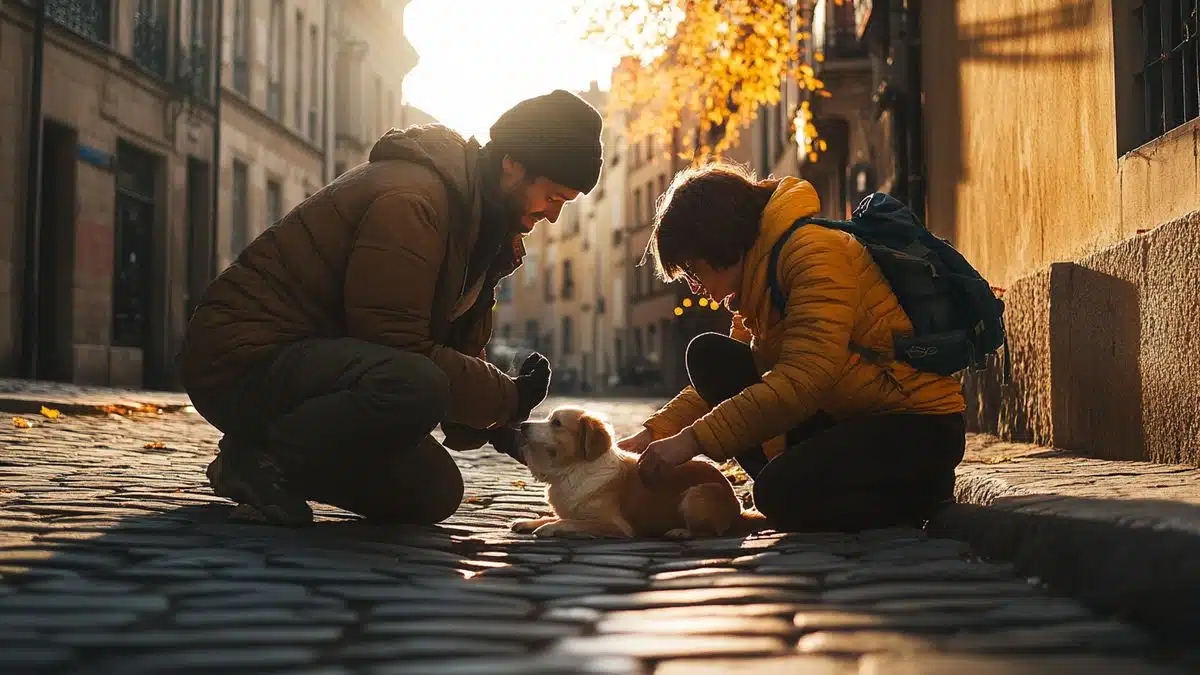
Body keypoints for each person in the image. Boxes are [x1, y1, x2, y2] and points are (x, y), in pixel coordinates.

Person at [178, 90, 604, 526]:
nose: (552, 216)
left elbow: (448, 362)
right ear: (513, 164)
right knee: (415, 385)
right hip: (242, 359)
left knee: (431, 492)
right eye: (554, 197)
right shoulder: (413, 200)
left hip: (318, 367)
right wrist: (507, 397)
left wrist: (505, 427)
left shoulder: (480, 231)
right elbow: (393, 344)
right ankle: (259, 457)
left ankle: (266, 460)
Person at [623, 161, 967, 532]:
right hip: (846, 415)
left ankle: (914, 496)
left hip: (914, 425)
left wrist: (690, 442)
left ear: (718, 243)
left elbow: (802, 380)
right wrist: (654, 434)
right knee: (709, 356)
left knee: (775, 495)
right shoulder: (754, 284)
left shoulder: (812, 253)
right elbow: (726, 385)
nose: (692, 285)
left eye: (692, 270)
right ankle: (803, 486)